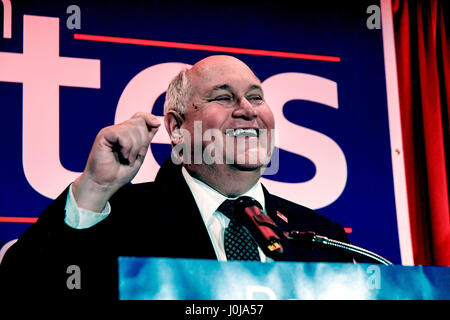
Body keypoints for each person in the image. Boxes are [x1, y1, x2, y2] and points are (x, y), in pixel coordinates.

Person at [0, 55, 351, 299]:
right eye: (224, 97)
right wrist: (94, 189)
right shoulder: (118, 218)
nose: (248, 109)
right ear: (176, 127)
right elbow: (22, 287)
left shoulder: (321, 237)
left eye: (256, 97)